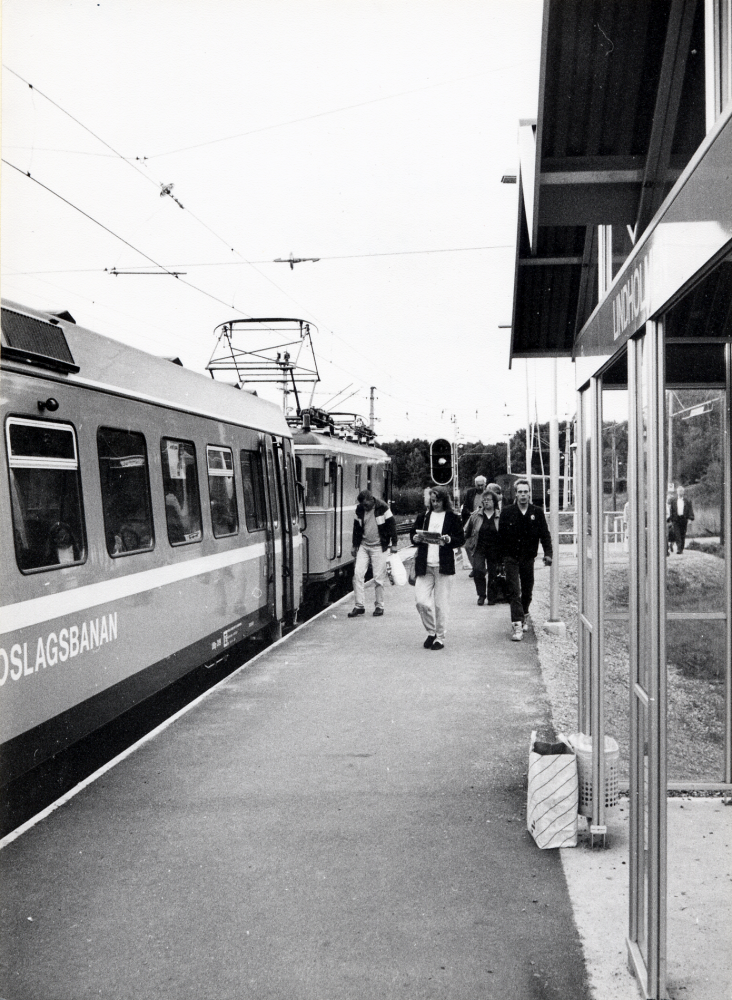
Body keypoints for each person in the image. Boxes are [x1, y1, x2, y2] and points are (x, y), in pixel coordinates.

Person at [410, 487, 465, 650]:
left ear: (444, 500)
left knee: (441, 605)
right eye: (432, 501)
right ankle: (431, 631)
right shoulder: (424, 516)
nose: (435, 504)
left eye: (438, 501)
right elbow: (414, 535)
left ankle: (440, 637)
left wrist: (448, 539)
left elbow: (460, 539)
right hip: (425, 565)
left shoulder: (452, 518)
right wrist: (416, 538)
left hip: (443, 566)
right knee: (421, 601)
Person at [498, 479, 552, 641]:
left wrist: (548, 553)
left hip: (528, 557)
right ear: (515, 494)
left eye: (525, 492)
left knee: (527, 590)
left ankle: (525, 612)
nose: (523, 495)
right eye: (520, 492)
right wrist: (500, 560)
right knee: (514, 591)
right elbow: (501, 537)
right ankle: (517, 625)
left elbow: (545, 535)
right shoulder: (507, 512)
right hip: (510, 557)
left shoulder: (537, 512)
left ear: (530, 494)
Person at [348, 490, 398, 617]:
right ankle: (359, 606)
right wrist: (354, 545)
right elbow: (356, 528)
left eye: (366, 505)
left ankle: (379, 606)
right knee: (357, 574)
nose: (365, 507)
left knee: (378, 578)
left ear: (371, 500)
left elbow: (392, 525)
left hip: (379, 546)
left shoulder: (383, 507)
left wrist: (394, 544)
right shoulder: (359, 509)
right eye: (363, 505)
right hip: (364, 546)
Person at [464, 491, 502, 605]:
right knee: (478, 570)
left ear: (494, 501)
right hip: (479, 547)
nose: (486, 502)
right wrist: (468, 544)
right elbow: (468, 531)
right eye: (484, 500)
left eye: (488, 499)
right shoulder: (476, 515)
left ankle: (492, 596)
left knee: (493, 573)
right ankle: (481, 594)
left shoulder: (500, 515)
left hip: (494, 549)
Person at [669, 484, 694, 555]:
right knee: (677, 534)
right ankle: (679, 549)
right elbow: (671, 510)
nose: (680, 493)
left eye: (681, 491)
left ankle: (681, 548)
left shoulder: (687, 500)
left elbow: (690, 510)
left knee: (682, 534)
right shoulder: (673, 500)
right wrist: (670, 518)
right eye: (679, 491)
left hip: (683, 519)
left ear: (683, 492)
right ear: (677, 492)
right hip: (676, 519)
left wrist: (690, 519)